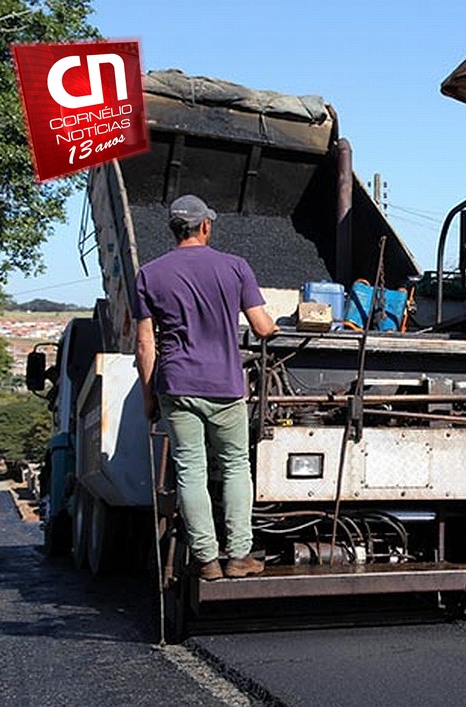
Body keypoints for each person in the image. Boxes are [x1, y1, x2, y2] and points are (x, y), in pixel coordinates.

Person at [134, 194, 277, 581]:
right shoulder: (235, 267)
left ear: (173, 229)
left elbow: (145, 344)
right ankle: (239, 556)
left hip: (176, 386)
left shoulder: (149, 273)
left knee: (190, 471)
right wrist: (276, 325)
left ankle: (207, 560)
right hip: (225, 386)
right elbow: (262, 327)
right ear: (206, 226)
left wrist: (149, 399)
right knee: (234, 466)